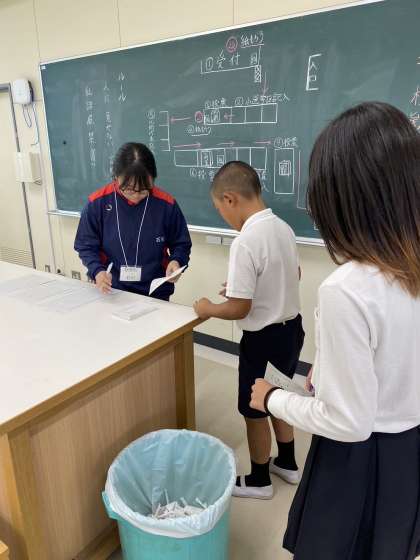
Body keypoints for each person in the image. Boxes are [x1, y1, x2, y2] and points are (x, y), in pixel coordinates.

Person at [250, 102, 420, 559]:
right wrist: (327, 372)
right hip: (408, 452)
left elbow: (349, 422)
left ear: (342, 201)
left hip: (357, 463)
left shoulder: (347, 288)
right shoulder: (410, 266)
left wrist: (272, 398)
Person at [194, 161, 304, 499]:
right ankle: (288, 463)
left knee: (254, 410)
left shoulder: (245, 241)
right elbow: (294, 274)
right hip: (291, 332)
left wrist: (207, 308)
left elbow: (239, 309)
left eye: (219, 209)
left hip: (263, 340)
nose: (222, 216)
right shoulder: (283, 228)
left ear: (230, 199)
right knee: (279, 396)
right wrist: (244, 288)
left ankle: (259, 480)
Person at [74, 142, 191, 300]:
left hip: (155, 291)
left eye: (143, 190)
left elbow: (181, 243)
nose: (136, 196)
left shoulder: (166, 204)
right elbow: (85, 245)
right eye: (129, 189)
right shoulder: (98, 203)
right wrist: (97, 271)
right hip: (112, 289)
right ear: (116, 177)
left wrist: (176, 261)